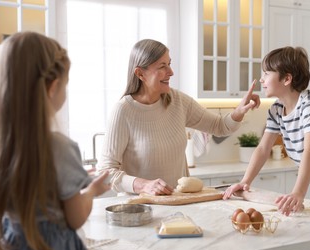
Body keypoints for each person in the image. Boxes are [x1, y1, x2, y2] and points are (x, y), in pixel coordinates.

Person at [0, 32, 110, 250]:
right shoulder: (59, 148)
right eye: (66, 84)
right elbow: (75, 218)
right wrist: (91, 191)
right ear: (53, 87)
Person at [98, 39, 261, 196]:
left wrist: (239, 110)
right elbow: (106, 173)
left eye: (169, 64)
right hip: (140, 211)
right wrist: (143, 185)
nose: (171, 72)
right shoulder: (123, 111)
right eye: (162, 66)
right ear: (140, 73)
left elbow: (220, 126)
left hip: (179, 204)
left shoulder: (178, 101)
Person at [223, 46, 310, 215]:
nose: (261, 80)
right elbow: (263, 148)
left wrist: (298, 192)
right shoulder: (276, 110)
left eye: (267, 73)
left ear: (287, 79)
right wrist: (245, 182)